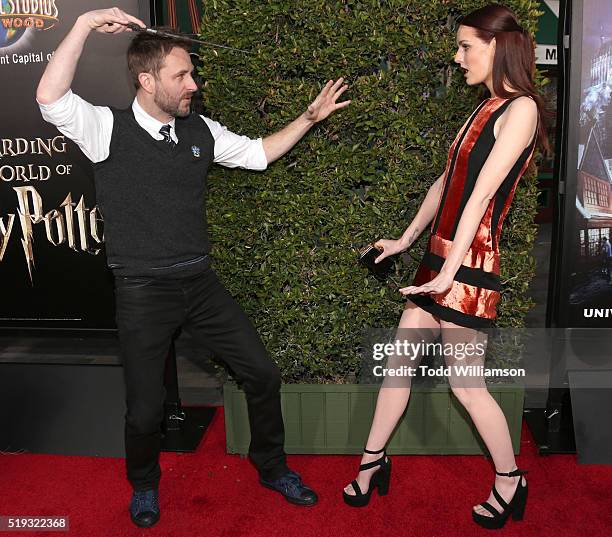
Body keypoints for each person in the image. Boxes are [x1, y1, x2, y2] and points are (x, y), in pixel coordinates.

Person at [36, 7, 350, 528]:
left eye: (192, 74)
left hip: (200, 284)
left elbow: (258, 154)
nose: (193, 84)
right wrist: (86, 23)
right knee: (144, 411)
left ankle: (271, 467)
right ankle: (144, 486)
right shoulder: (104, 128)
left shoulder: (200, 130)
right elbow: (49, 97)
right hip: (141, 290)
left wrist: (310, 117)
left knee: (263, 374)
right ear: (146, 79)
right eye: (181, 75)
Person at [342, 4, 547, 530]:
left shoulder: (520, 109)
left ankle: (510, 480)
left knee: (466, 386)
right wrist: (405, 241)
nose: (457, 58)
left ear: (497, 45)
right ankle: (371, 464)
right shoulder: (485, 106)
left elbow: (480, 197)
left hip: (469, 267)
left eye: (465, 47)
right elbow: (445, 183)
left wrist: (448, 275)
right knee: (399, 368)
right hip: (441, 259)